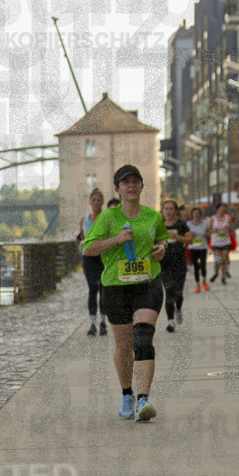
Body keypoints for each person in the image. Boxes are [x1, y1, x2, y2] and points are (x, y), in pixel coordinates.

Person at [83, 164, 168, 422]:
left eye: (136, 181)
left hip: (147, 284)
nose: (131, 186)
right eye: (126, 182)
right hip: (115, 287)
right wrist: (116, 240)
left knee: (143, 338)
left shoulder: (153, 216)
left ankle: (143, 400)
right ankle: (127, 394)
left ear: (142, 186)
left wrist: (162, 248)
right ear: (118, 189)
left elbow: (162, 239)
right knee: (124, 346)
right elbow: (89, 249)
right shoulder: (107, 219)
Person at [77, 188, 108, 336]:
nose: (96, 203)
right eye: (93, 200)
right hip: (89, 257)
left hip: (103, 256)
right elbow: (81, 235)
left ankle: (103, 322)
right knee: (92, 289)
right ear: (90, 202)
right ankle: (91, 323)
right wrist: (78, 240)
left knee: (103, 289)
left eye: (98, 200)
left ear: (102, 202)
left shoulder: (106, 218)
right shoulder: (84, 219)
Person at [158, 200, 190, 332]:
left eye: (171, 209)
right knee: (169, 290)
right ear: (163, 210)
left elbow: (190, 239)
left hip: (179, 262)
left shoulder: (181, 224)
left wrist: (176, 236)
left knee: (178, 292)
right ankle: (170, 322)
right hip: (164, 263)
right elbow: (154, 241)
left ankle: (178, 309)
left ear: (176, 211)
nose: (169, 211)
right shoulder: (159, 225)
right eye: (166, 209)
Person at [186, 206, 210, 293]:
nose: (196, 215)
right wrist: (190, 234)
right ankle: (197, 284)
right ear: (192, 214)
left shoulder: (205, 223)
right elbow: (186, 235)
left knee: (203, 265)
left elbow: (210, 232)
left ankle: (204, 280)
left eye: (198, 213)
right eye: (195, 213)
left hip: (203, 247)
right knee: (196, 267)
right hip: (193, 247)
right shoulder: (189, 224)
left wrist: (206, 234)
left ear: (200, 214)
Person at [209, 203, 233, 284]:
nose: (224, 209)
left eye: (225, 208)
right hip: (216, 243)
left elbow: (232, 228)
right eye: (222, 208)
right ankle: (216, 273)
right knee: (218, 260)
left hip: (226, 242)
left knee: (224, 260)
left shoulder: (228, 218)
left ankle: (223, 277)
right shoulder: (212, 218)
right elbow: (209, 230)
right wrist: (213, 230)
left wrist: (228, 227)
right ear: (217, 209)